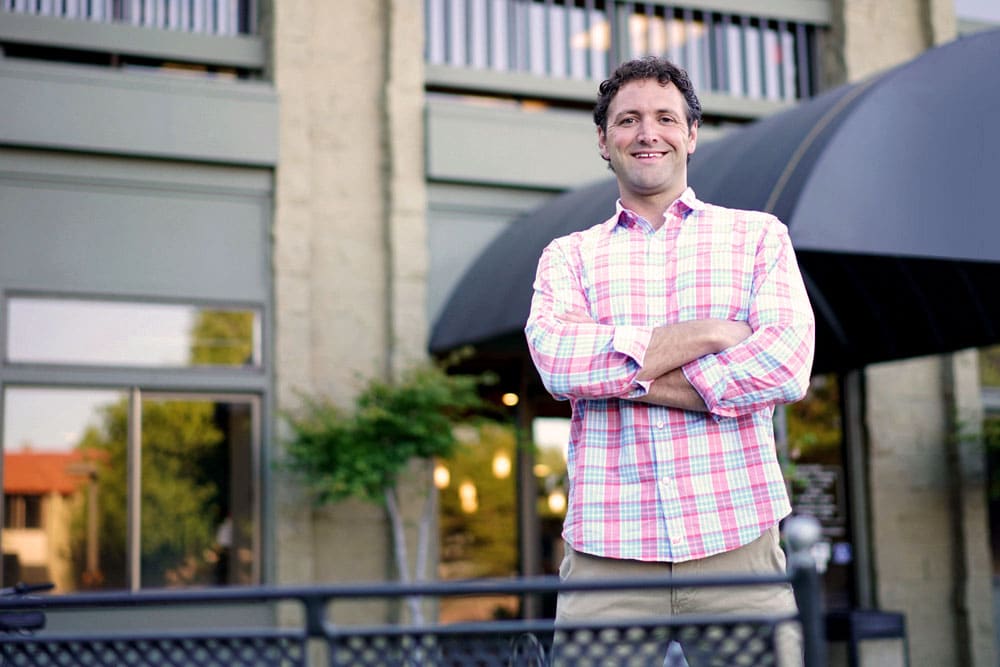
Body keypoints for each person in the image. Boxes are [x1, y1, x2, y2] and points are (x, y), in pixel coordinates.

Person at [523, 56, 815, 666]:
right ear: (604, 140)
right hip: (608, 555)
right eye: (627, 119)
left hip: (739, 542)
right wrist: (711, 334)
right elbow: (558, 364)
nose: (646, 132)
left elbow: (786, 366)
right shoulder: (568, 257)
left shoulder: (758, 238)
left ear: (691, 133)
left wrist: (616, 373)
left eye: (664, 117)